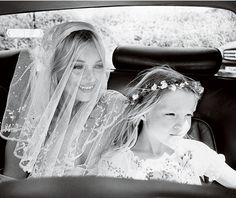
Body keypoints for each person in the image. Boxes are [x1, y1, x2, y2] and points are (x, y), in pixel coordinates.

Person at [0, 22, 127, 179]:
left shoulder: (113, 107)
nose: (91, 77)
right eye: (78, 67)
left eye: (98, 66)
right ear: (56, 71)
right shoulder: (31, 120)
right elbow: (10, 182)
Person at [94, 66, 236, 189]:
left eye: (188, 115)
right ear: (143, 113)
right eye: (170, 114)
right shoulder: (116, 161)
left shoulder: (196, 152)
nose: (182, 125)